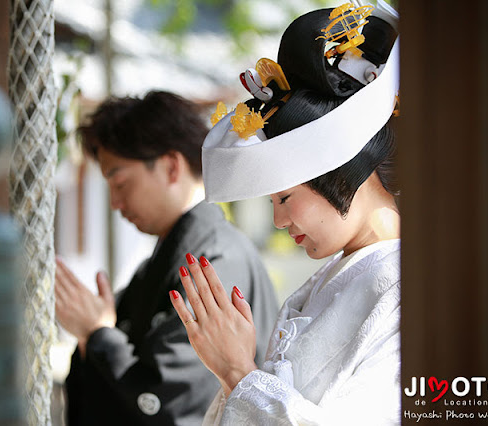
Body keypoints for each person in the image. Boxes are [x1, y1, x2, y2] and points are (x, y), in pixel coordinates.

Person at [169, 2, 401, 425]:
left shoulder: (406, 291)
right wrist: (233, 374)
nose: (278, 220)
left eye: (285, 197)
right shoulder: (326, 280)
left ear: (346, 171)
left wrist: (238, 372)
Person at [55, 90, 279, 425]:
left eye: (120, 183)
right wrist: (96, 332)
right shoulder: (174, 255)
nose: (115, 203)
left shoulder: (215, 259)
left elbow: (173, 399)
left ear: (171, 167)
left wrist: (98, 334)